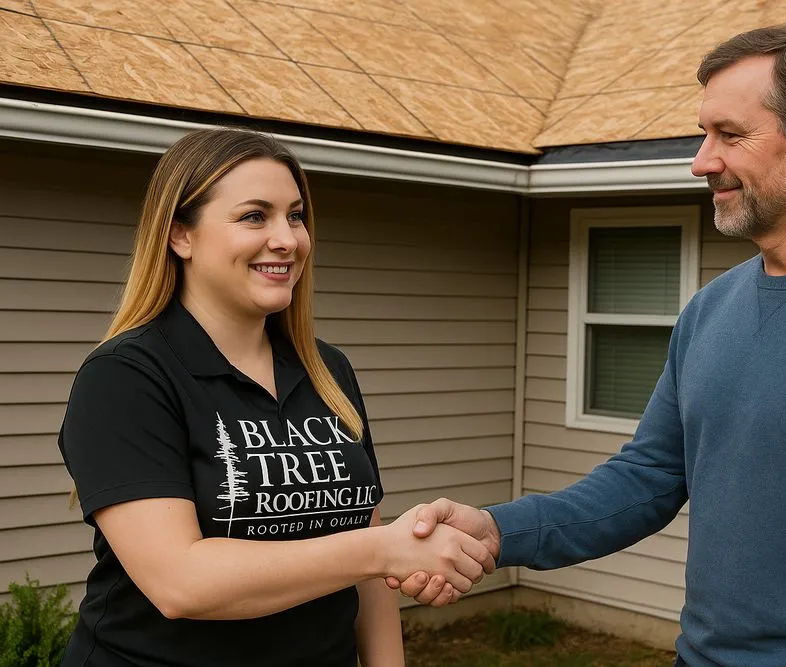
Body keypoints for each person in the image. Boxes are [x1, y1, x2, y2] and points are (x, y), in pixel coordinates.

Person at [388, 22, 786, 667]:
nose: (702, 160)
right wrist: (497, 530)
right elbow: (648, 478)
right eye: (705, 134)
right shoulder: (713, 308)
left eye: (730, 136)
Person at [57, 128, 495, 667]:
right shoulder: (126, 377)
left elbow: (366, 550)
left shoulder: (326, 369)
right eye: (254, 216)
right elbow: (182, 583)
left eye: (295, 215)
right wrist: (385, 549)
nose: (288, 239)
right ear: (180, 236)